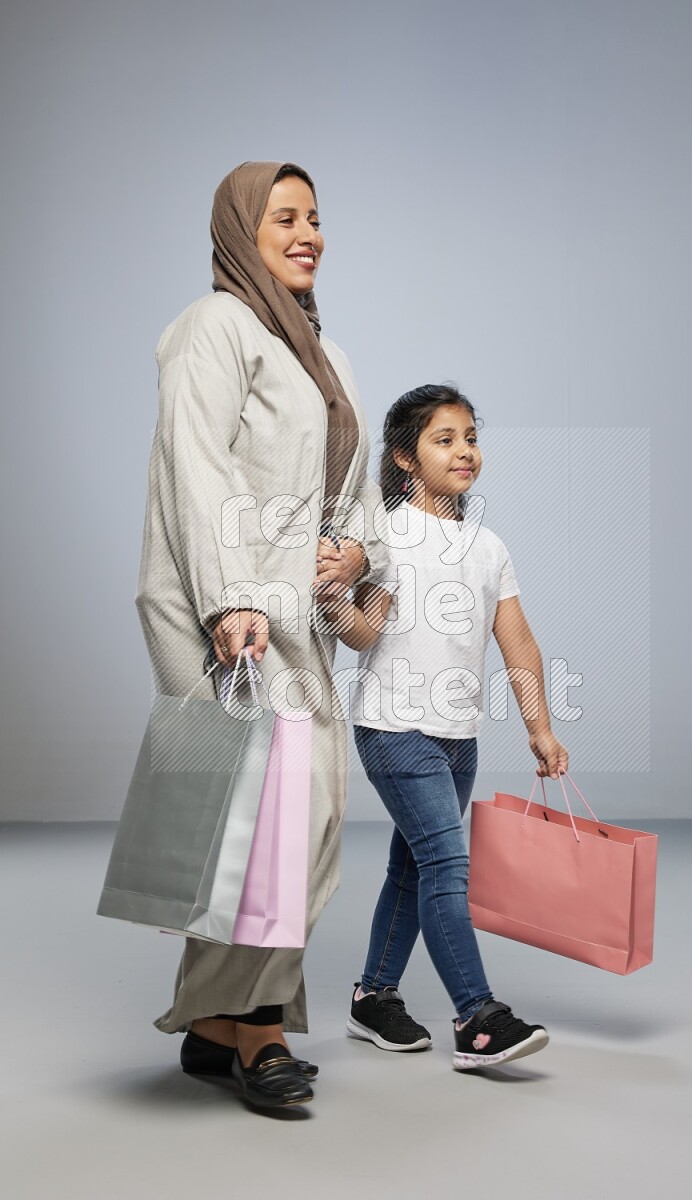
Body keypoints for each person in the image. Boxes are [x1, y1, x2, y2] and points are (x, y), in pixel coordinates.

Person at [133, 160, 388, 1109]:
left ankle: (211, 1022)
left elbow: (353, 493)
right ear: (242, 229)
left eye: (316, 216)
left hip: (295, 612)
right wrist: (228, 598)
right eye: (284, 217)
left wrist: (354, 554)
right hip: (222, 608)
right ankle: (263, 1031)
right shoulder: (213, 329)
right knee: (269, 823)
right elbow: (195, 467)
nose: (307, 232)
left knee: (280, 816)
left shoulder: (328, 355)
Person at [314, 383, 569, 1070]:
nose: (464, 451)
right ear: (404, 457)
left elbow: (518, 642)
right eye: (443, 439)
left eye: (469, 437)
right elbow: (366, 635)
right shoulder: (386, 536)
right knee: (447, 863)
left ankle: (373, 998)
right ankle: (478, 1019)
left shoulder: (488, 547)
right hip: (393, 728)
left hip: (459, 738)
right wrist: (335, 597)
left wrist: (540, 729)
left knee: (412, 867)